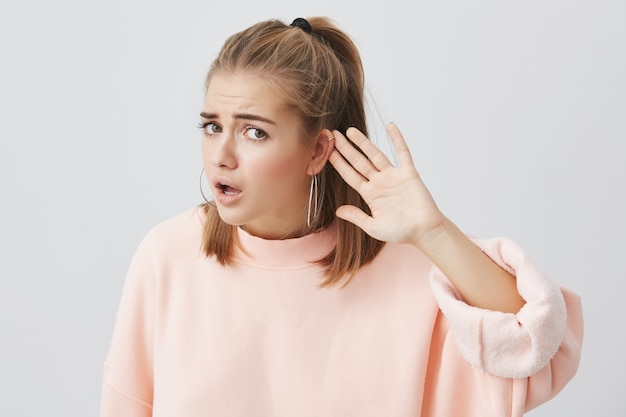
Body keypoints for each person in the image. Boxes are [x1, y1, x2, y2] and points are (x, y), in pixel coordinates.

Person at [100, 16, 583, 417]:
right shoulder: (167, 257)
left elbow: (536, 346)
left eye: (254, 133)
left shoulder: (410, 272)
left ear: (318, 149)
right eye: (212, 126)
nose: (221, 155)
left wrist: (433, 233)